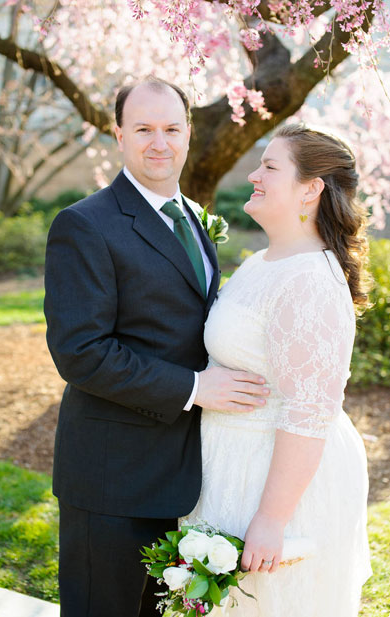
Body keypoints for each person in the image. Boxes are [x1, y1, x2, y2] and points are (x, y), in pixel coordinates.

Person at [43, 77, 270, 617]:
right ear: (118, 133)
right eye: (143, 129)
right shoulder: (84, 224)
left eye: (171, 128)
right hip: (112, 479)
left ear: (189, 133)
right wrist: (195, 387)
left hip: (183, 476)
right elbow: (81, 352)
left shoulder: (191, 215)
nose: (159, 143)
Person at [184, 123, 371, 615]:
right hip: (231, 463)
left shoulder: (310, 279)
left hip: (276, 482)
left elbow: (310, 412)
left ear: (310, 188)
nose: (253, 175)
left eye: (269, 167)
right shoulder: (261, 262)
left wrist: (271, 519)